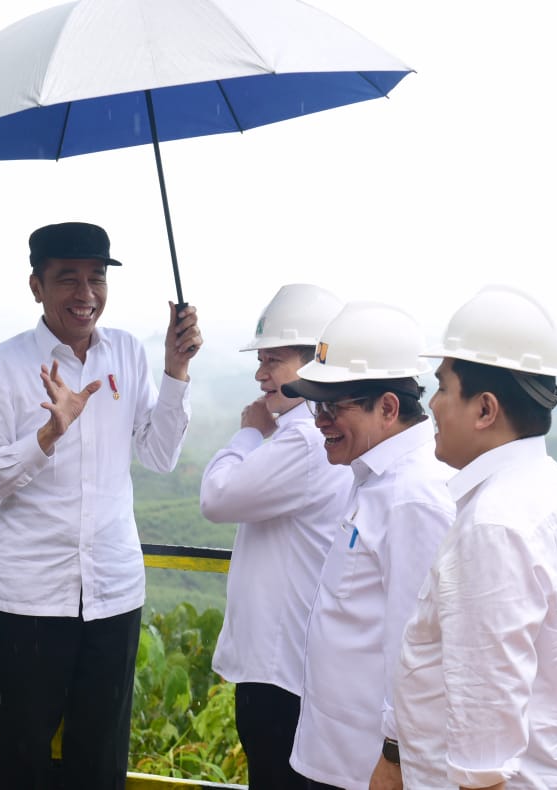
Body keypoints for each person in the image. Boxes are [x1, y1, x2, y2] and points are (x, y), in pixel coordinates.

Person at [0, 221, 202, 789]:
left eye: (96, 277)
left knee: (99, 763)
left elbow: (160, 454)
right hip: (29, 597)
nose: (86, 293)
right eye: (67, 278)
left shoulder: (126, 351)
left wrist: (176, 370)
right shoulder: (2, 365)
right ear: (35, 286)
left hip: (113, 592)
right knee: (20, 759)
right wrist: (49, 434)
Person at [389, 285, 557, 790]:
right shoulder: (555, 489)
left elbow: (484, 753)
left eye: (444, 388)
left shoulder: (494, 525)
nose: (432, 406)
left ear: (485, 409)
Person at [279, 301, 456, 790]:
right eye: (317, 406)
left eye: (333, 406)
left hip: (367, 770)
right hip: (336, 756)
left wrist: (394, 760)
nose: (320, 421)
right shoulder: (373, 477)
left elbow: (420, 650)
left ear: (388, 407)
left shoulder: (413, 498)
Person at [199, 284, 352, 790]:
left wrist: (247, 431)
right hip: (292, 666)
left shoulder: (303, 440)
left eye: (275, 361)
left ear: (315, 365)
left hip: (281, 672)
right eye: (261, 360)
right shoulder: (312, 434)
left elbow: (217, 497)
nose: (261, 374)